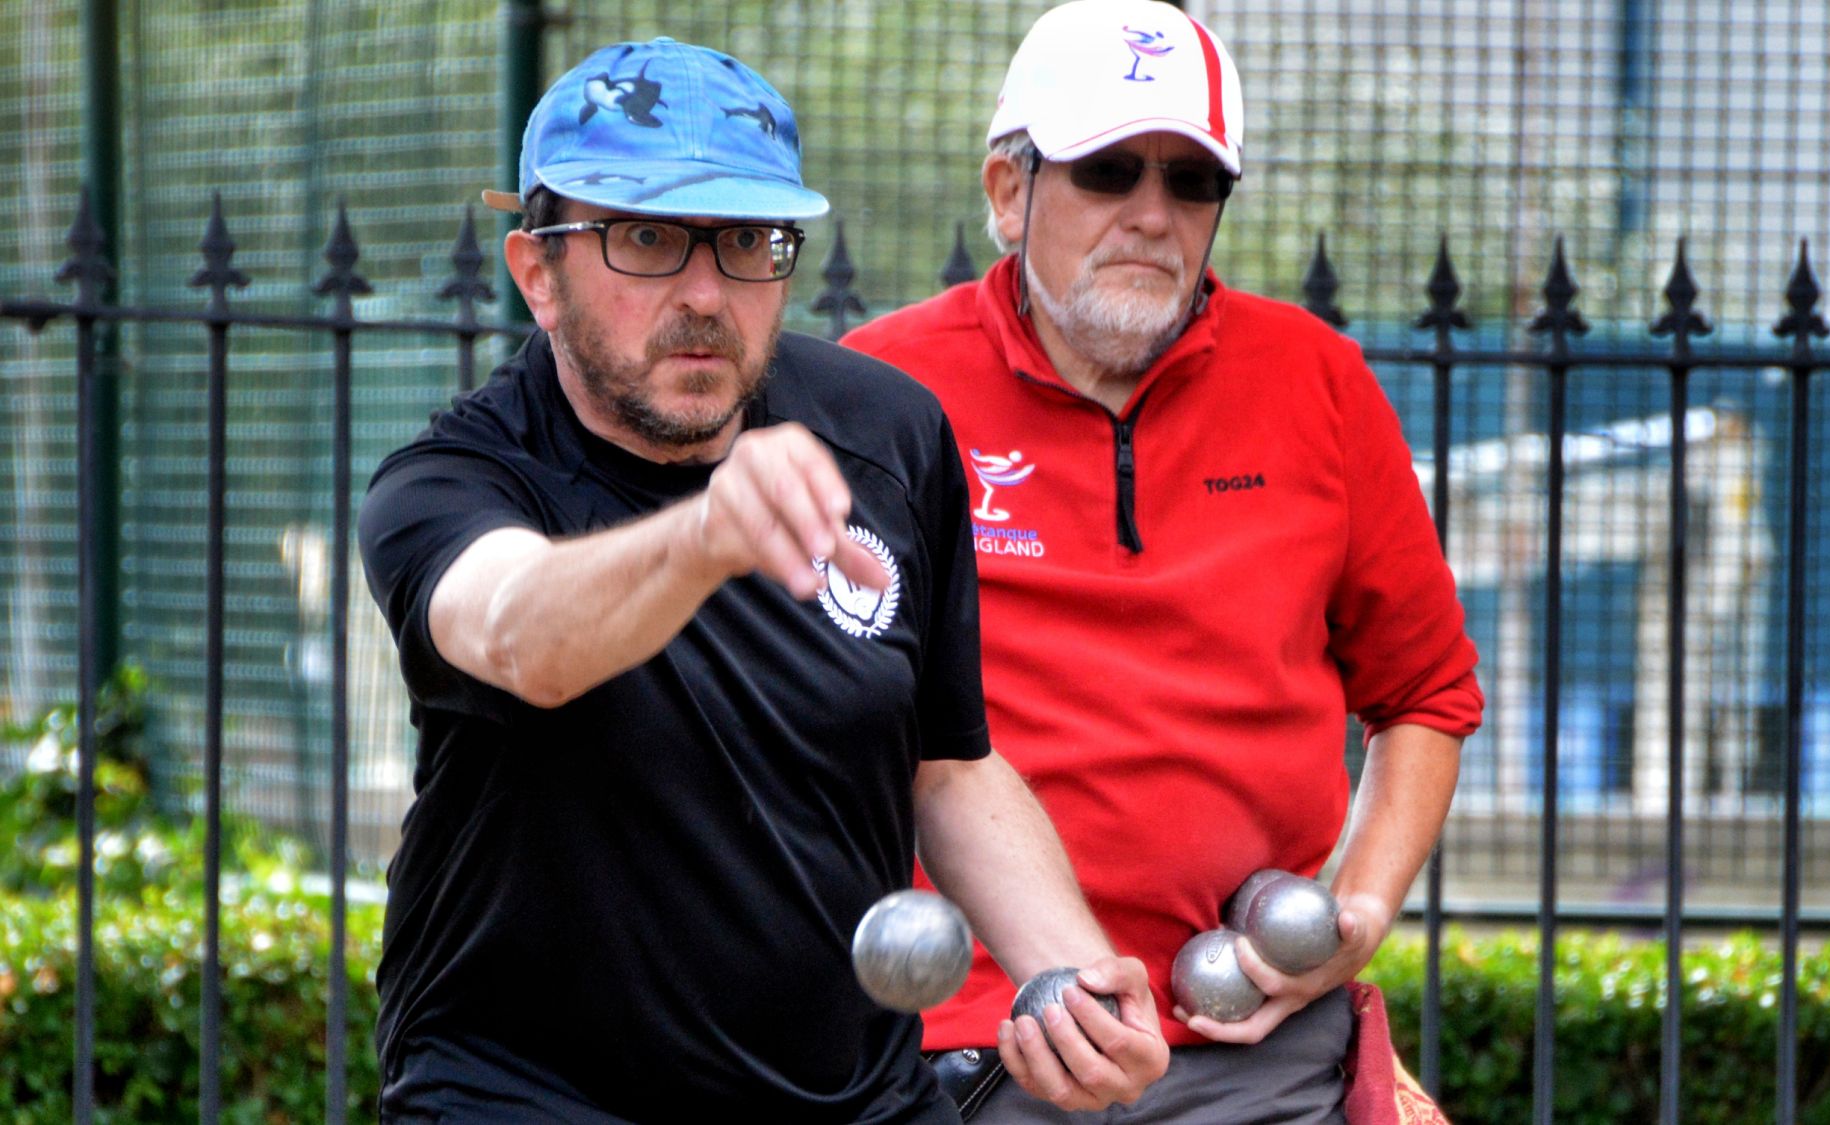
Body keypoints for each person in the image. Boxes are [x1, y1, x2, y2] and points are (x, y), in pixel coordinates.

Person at [358, 37, 1168, 1123]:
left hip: (856, 1098)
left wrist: (1072, 982)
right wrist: (704, 536)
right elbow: (518, 633)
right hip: (529, 1096)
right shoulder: (454, 479)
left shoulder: (887, 433)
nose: (705, 294)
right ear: (537, 273)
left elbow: (947, 769)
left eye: (747, 241)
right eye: (647, 239)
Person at [842, 1, 1484, 1119]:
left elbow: (1426, 693)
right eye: (1106, 171)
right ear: (1007, 191)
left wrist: (1362, 910)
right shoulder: (882, 394)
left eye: (1191, 182)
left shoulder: (1318, 381)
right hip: (979, 1042)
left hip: (1254, 1034)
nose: (1151, 215)